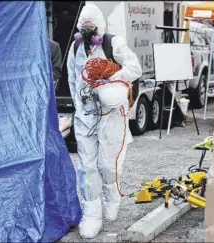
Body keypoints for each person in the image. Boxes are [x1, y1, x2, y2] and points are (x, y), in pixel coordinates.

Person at [66, 4, 142, 239]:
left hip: (110, 115)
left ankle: (112, 195)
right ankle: (91, 212)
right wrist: (79, 106)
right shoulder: (76, 46)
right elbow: (72, 78)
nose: (88, 30)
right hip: (86, 115)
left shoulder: (113, 43)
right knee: (87, 166)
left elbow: (134, 67)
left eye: (91, 26)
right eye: (84, 26)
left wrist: (111, 79)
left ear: (99, 25)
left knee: (107, 164)